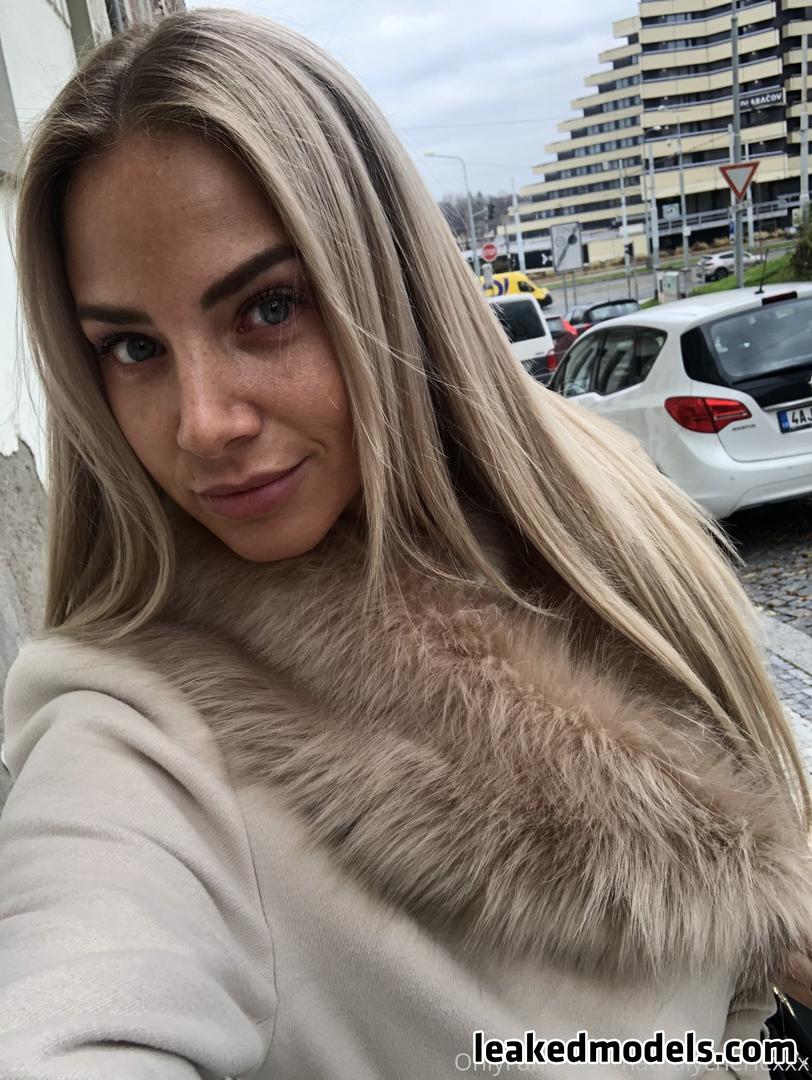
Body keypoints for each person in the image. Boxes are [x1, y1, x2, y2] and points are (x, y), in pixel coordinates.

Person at [0, 9, 810, 1078]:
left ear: (390, 288)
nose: (202, 423)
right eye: (133, 347)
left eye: (268, 308)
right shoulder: (129, 738)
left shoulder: (597, 520)